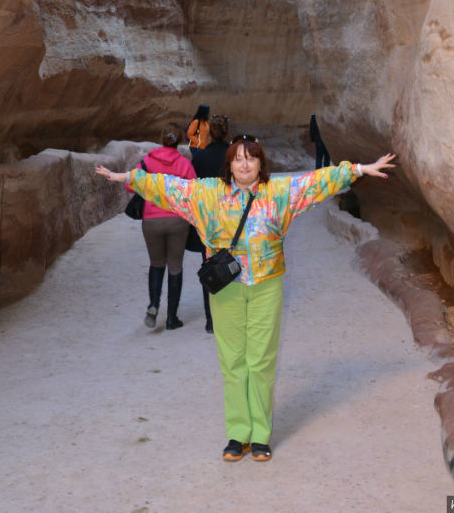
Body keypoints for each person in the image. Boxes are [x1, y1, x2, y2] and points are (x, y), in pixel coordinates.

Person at [97, 136, 396, 461]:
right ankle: (238, 434)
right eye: (238, 158)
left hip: (266, 285)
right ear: (229, 164)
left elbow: (315, 182)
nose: (244, 164)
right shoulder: (209, 193)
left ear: (260, 164)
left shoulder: (278, 193)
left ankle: (260, 435)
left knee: (262, 361)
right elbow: (169, 187)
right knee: (233, 361)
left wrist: (358, 169)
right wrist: (130, 178)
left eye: (250, 158)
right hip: (226, 289)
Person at [138, 128, 197, 330]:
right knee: (175, 266)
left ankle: (153, 305)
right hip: (177, 220)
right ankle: (172, 318)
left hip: (151, 220)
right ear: (178, 141)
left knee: (156, 264)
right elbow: (194, 191)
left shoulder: (147, 160)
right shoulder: (184, 163)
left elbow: (131, 184)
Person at [188, 114, 230, 333]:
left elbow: (193, 188)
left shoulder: (200, 158)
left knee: (209, 267)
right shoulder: (234, 156)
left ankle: (211, 320)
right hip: (230, 219)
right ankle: (229, 316)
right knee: (232, 264)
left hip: (206, 220)